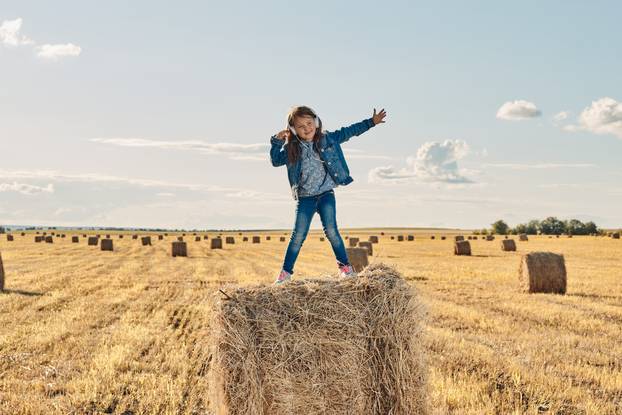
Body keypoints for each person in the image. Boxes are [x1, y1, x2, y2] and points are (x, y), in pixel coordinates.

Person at [269, 105, 387, 284]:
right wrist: (277, 141)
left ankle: (345, 268)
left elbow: (349, 131)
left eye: (309, 123)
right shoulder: (292, 149)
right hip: (305, 198)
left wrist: (371, 122)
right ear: (293, 130)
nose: (306, 128)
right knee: (298, 235)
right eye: (301, 126)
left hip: (326, 195)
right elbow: (275, 161)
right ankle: (285, 274)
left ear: (316, 122)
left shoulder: (328, 139)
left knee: (332, 231)